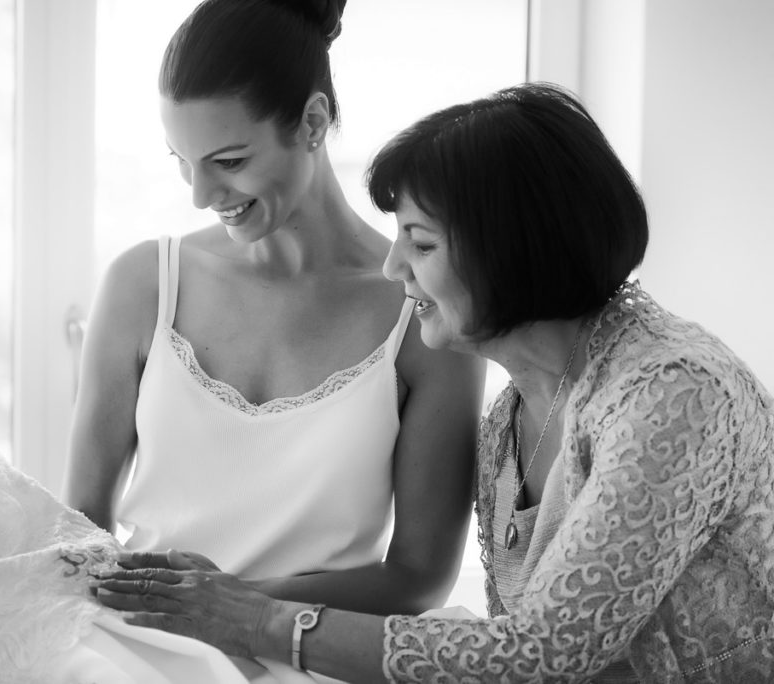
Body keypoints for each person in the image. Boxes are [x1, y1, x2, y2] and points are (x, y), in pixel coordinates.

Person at [93, 83, 774, 682]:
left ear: (512, 248)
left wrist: (256, 621)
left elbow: (540, 655)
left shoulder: (671, 392)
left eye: (420, 243)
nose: (392, 268)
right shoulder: (510, 420)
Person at [64, 0, 484, 616]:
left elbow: (418, 578)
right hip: (139, 639)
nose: (203, 196)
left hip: (317, 651)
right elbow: (79, 526)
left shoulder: (421, 312)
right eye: (182, 162)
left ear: (312, 122)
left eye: (229, 162)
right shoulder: (145, 284)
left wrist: (234, 607)